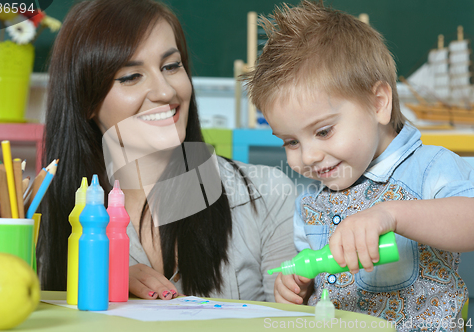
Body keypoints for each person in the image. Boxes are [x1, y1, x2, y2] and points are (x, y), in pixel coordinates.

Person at [39, 0, 297, 302]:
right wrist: (98, 283)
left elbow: (287, 320)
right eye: (131, 76)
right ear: (86, 100)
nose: (166, 92)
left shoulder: (266, 195)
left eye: (171, 66)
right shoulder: (47, 215)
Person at [243, 1, 474, 330]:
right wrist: (302, 284)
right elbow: (326, 283)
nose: (307, 157)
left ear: (378, 103)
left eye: (323, 131)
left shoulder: (429, 166)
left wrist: (391, 214)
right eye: (291, 142)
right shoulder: (310, 205)